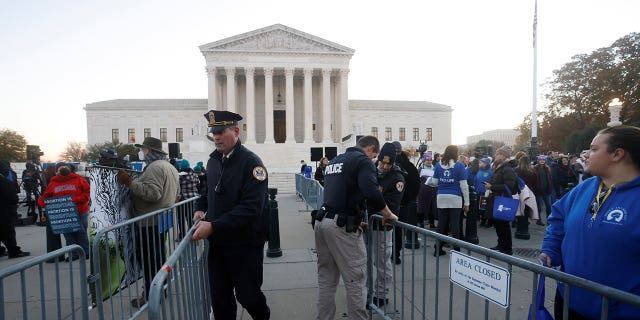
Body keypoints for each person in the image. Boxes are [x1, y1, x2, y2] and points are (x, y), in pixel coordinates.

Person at [540, 125, 640, 319]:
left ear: (617, 154)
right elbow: (558, 216)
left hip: (618, 313)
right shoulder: (586, 187)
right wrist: (550, 249)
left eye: (594, 149)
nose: (586, 155)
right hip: (568, 302)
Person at [191, 110, 271, 320]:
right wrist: (200, 207)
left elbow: (252, 208)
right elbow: (207, 190)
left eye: (220, 131)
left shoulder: (252, 163)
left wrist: (214, 226)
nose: (216, 137)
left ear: (236, 131)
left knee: (248, 296)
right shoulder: (214, 161)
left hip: (244, 244)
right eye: (213, 132)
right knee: (220, 299)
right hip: (218, 243)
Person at [312, 135, 397, 320]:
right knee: (356, 281)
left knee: (326, 280)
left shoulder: (335, 160)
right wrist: (387, 213)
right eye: (375, 157)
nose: (374, 161)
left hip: (323, 222)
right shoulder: (362, 161)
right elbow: (371, 192)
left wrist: (355, 218)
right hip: (341, 227)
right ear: (371, 149)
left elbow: (339, 194)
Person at [116, 136, 180, 308]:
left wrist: (129, 182)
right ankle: (161, 289)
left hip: (150, 222)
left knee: (150, 260)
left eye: (143, 149)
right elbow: (176, 195)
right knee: (158, 258)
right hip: (161, 219)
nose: (142, 152)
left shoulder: (155, 167)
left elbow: (153, 194)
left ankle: (152, 295)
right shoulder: (169, 166)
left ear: (149, 150)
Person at [368, 143, 404, 309]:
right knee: (366, 262)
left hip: (382, 226)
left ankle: (381, 295)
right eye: (382, 162)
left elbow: (392, 205)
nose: (384, 166)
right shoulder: (371, 171)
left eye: (388, 164)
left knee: (382, 263)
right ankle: (368, 293)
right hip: (367, 225)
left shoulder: (397, 178)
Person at [37, 162, 91, 261]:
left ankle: (85, 252)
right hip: (64, 213)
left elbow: (87, 193)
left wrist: (76, 200)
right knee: (68, 234)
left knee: (81, 232)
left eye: (64, 166)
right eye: (60, 167)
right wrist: (41, 202)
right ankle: (74, 254)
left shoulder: (79, 179)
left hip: (80, 210)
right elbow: (46, 196)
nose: (63, 168)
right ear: (57, 171)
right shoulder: (53, 183)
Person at [427, 145, 469, 256]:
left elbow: (435, 183)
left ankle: (438, 249)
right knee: (455, 226)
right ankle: (456, 251)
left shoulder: (438, 166)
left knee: (441, 225)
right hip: (455, 198)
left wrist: (429, 180)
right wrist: (467, 203)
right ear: (455, 153)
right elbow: (464, 186)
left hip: (441, 197)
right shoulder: (460, 166)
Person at [483, 146, 518, 255]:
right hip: (497, 199)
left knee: (503, 225)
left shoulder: (506, 168)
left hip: (502, 200)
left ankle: (507, 248)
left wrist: (491, 187)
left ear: (503, 155)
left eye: (498, 154)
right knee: (498, 224)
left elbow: (509, 186)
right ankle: (501, 244)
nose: (495, 155)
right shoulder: (499, 167)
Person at [394, 143, 420, 260]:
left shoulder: (390, 164)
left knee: (389, 229)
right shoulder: (410, 166)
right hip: (404, 203)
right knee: (399, 229)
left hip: (391, 203)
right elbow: (417, 184)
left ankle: (390, 253)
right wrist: (410, 198)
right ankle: (396, 254)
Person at [0, 160, 30, 258]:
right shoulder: (4, 181)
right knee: (8, 231)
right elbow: (13, 197)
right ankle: (14, 251)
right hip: (5, 211)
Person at [416, 153, 437, 229]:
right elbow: (416, 180)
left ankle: (432, 223)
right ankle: (421, 222)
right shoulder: (420, 169)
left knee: (432, 208)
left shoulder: (434, 169)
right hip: (422, 192)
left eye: (430, 160)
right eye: (427, 160)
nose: (429, 161)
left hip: (432, 191)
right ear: (424, 161)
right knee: (421, 207)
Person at [532, 155, 554, 226]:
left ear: (545, 161)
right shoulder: (535, 168)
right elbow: (534, 180)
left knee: (549, 206)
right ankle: (539, 220)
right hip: (538, 191)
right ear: (538, 160)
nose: (542, 161)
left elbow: (550, 179)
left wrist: (550, 187)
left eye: (543, 160)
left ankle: (549, 220)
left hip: (547, 190)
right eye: (540, 160)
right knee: (539, 207)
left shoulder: (547, 168)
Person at [475, 157, 493, 227]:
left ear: (485, 164)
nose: (479, 164)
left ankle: (484, 221)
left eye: (481, 162)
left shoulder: (490, 172)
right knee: (480, 208)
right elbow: (476, 180)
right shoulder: (479, 171)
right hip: (478, 192)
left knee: (484, 208)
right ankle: (481, 220)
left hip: (486, 193)